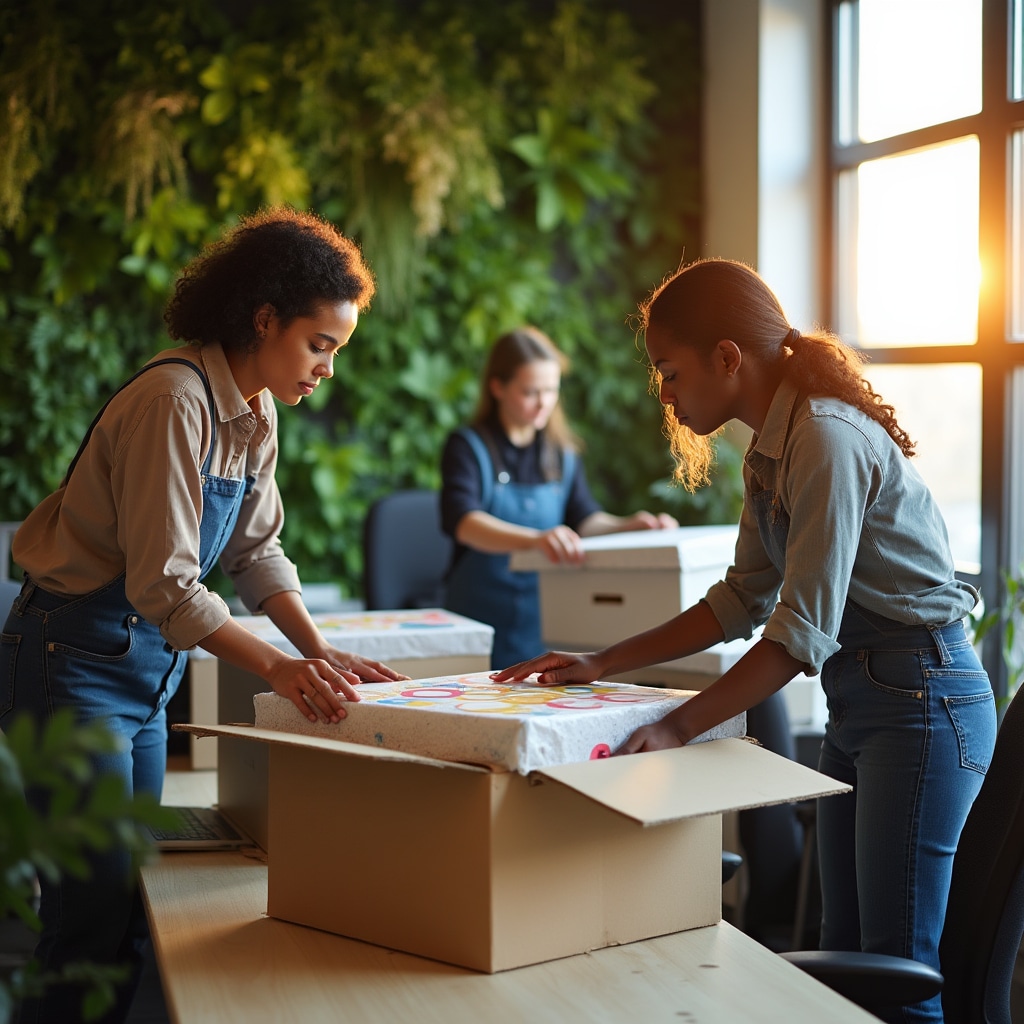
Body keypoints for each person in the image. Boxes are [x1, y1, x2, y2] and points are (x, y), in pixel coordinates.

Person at [493, 260, 996, 1024]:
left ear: (728, 358)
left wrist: (676, 725)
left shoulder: (824, 438)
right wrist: (601, 661)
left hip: (921, 700)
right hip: (865, 702)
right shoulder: (773, 447)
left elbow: (797, 635)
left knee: (898, 971)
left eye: (670, 370)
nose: (663, 392)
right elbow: (739, 600)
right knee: (845, 958)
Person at [0, 207, 409, 1024]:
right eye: (320, 345)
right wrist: (281, 671)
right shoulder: (173, 400)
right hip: (71, 664)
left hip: (145, 676)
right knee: (89, 919)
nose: (327, 369)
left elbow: (258, 554)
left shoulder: (256, 415)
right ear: (264, 319)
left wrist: (321, 650)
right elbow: (169, 587)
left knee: (131, 901)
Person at [441, 326, 677, 669]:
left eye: (551, 391)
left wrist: (631, 525)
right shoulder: (467, 447)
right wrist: (537, 539)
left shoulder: (562, 454)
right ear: (497, 387)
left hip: (546, 628)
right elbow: (463, 522)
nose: (543, 403)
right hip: (476, 628)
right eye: (530, 392)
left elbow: (585, 519)